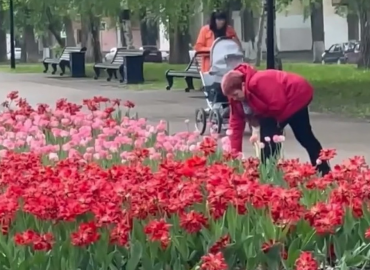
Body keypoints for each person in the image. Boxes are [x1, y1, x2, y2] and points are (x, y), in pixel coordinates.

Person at [221, 63, 331, 175]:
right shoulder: (235, 101)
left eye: (235, 94)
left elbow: (277, 103)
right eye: (231, 96)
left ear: (243, 85)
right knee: (273, 137)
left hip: (296, 95)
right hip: (276, 106)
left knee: (300, 136)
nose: (235, 98)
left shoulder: (258, 81)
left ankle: (323, 172)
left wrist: (275, 126)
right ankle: (269, 173)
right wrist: (235, 157)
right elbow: (235, 127)